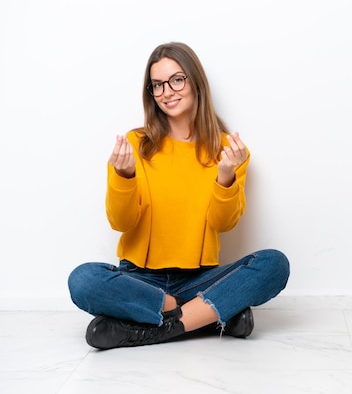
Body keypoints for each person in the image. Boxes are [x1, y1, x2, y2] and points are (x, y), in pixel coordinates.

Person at [68, 42, 290, 350]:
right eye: (157, 85)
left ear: (195, 81)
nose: (167, 92)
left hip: (199, 277)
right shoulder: (135, 144)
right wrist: (125, 176)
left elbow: (224, 224)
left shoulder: (228, 149)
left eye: (176, 79)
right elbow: (121, 221)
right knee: (82, 280)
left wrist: (225, 176)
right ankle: (207, 315)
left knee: (274, 264)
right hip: (139, 279)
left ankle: (156, 327)